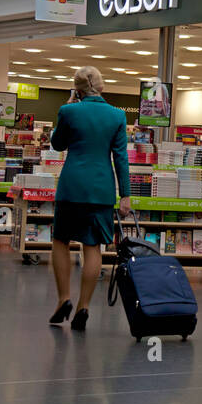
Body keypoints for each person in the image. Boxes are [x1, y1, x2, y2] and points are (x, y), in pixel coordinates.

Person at [47, 66, 131, 331]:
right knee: (92, 247)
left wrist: (68, 106)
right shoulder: (117, 116)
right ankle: (84, 306)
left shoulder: (68, 111)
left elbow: (58, 144)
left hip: (72, 186)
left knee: (60, 240)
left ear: (78, 89)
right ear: (102, 87)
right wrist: (125, 194)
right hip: (101, 190)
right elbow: (121, 158)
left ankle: (63, 299)